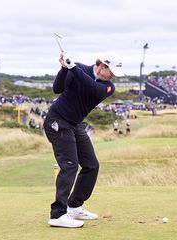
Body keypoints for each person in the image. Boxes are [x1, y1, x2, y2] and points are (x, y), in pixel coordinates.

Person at [43, 52, 124, 228]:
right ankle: (57, 215)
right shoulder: (78, 68)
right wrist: (64, 69)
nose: (113, 77)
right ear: (103, 66)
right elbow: (57, 88)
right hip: (57, 120)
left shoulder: (108, 87)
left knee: (91, 165)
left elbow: (92, 89)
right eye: (112, 72)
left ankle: (74, 206)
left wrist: (73, 68)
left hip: (75, 124)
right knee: (70, 164)